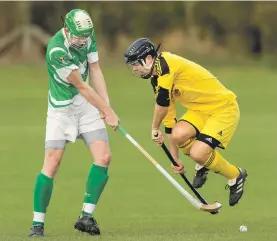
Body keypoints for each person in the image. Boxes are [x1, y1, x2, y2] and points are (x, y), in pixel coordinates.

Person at [124, 37, 247, 208]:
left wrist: (153, 127)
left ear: (149, 59)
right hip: (199, 110)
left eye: (136, 64)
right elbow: (169, 119)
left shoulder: (166, 66)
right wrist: (175, 159)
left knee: (198, 153)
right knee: (178, 134)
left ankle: (235, 176)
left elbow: (162, 103)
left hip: (223, 108)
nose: (135, 69)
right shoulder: (157, 79)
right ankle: (204, 163)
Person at [29, 9, 119, 237]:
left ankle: (86, 216)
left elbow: (95, 69)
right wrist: (105, 110)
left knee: (104, 157)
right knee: (52, 163)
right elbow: (81, 85)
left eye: (86, 36)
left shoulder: (87, 35)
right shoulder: (56, 50)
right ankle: (37, 224)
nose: (83, 41)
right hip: (62, 110)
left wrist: (106, 106)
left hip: (86, 106)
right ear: (67, 30)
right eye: (79, 37)